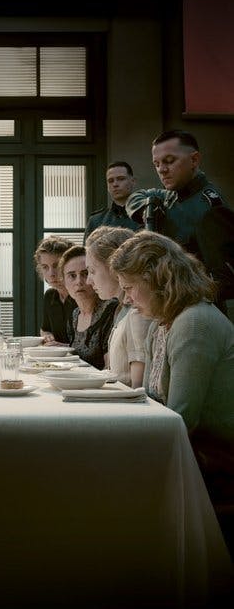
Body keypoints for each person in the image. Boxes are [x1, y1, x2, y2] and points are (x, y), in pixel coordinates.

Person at [110, 230, 234, 551]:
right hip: (190, 452)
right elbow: (152, 401)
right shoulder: (163, 323)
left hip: (216, 461)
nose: (126, 299)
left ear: (156, 280)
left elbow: (180, 419)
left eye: (129, 288)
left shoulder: (194, 323)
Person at [125, 129, 234, 309]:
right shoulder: (169, 195)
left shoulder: (210, 208)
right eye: (156, 164)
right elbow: (136, 197)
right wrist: (147, 208)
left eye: (169, 161)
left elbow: (226, 281)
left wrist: (177, 292)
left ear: (194, 160)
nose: (162, 169)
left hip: (197, 312)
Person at [85, 226, 151, 387]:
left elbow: (138, 388)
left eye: (92, 271)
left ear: (114, 267)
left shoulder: (138, 313)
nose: (88, 281)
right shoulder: (121, 310)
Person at [58, 245, 118, 369]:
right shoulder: (75, 315)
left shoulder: (110, 309)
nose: (79, 282)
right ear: (63, 281)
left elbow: (110, 368)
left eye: (85, 273)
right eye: (72, 275)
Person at [33, 235, 76, 345]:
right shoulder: (50, 295)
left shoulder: (81, 294)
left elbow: (91, 348)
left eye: (56, 266)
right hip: (56, 355)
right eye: (45, 267)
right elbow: (45, 329)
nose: (51, 273)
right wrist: (47, 336)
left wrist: (63, 347)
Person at [84, 162, 141, 241]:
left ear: (133, 181)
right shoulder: (96, 221)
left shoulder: (146, 215)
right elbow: (87, 248)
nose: (115, 184)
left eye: (121, 179)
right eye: (110, 181)